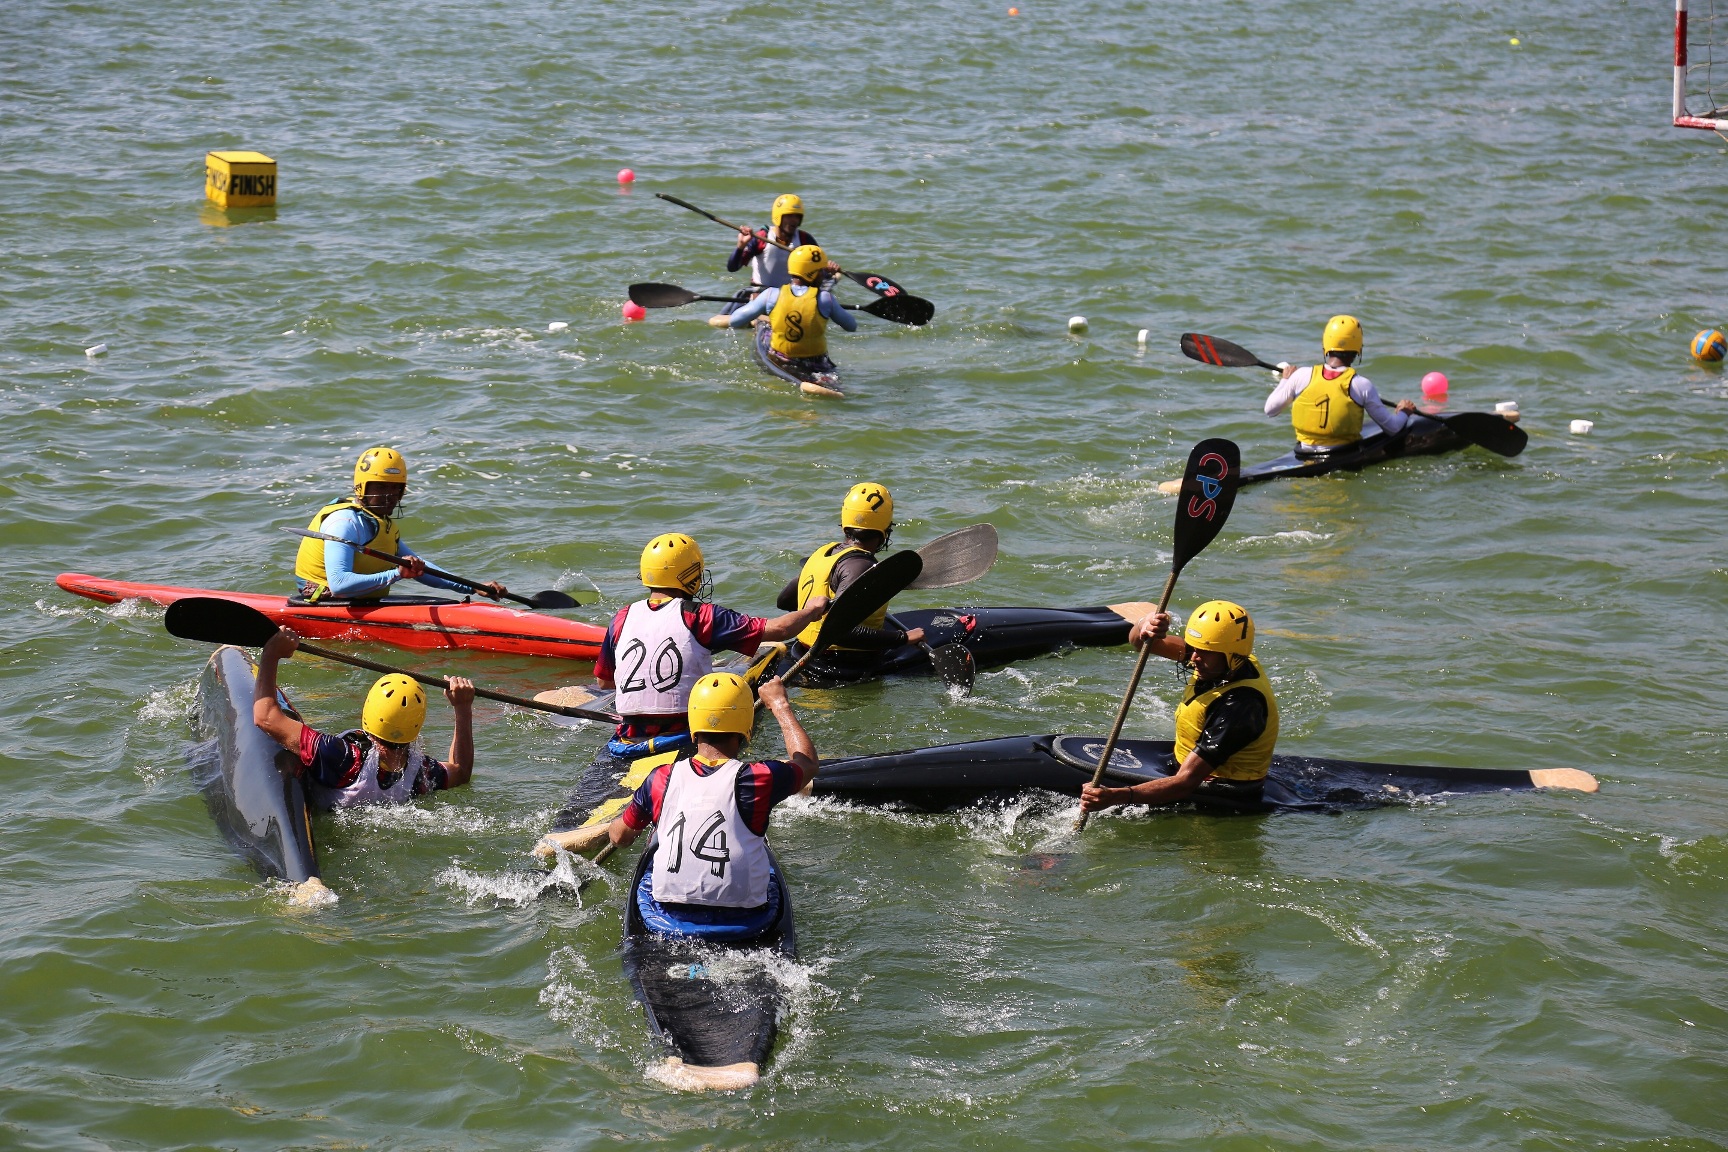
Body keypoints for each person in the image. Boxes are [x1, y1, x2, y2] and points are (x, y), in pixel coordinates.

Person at [600, 673, 817, 932]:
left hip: (667, 923)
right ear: (746, 726)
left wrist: (620, 822)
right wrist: (780, 705)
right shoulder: (760, 779)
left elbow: (620, 838)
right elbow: (808, 764)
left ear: (694, 724)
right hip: (746, 922)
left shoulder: (660, 778)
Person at [596, 533, 829, 760]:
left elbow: (604, 682)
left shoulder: (622, 617)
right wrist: (812, 610)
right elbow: (780, 630)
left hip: (627, 740)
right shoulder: (701, 616)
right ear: (689, 576)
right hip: (687, 736)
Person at [1079, 600, 1280, 814]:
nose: (1193, 657)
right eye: (1193, 647)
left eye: (1204, 651)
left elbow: (1185, 783)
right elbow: (1140, 643)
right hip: (1182, 765)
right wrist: (1144, 625)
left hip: (1222, 792)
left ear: (1231, 656)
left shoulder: (1240, 706)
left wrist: (1117, 796)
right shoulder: (1219, 660)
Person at [251, 628, 476, 809]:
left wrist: (271, 653)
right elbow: (461, 771)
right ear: (416, 724)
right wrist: (463, 708)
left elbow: (265, 716)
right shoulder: (421, 773)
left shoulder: (339, 756)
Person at [291, 446, 505, 603]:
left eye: (396, 489)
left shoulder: (380, 522)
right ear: (360, 488)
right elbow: (339, 585)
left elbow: (422, 569)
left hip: (360, 602)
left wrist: (473, 587)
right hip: (326, 603)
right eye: (381, 488)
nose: (390, 496)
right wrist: (396, 574)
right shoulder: (345, 523)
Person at [774, 483, 925, 676]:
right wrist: (902, 638)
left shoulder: (822, 554)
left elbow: (784, 601)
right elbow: (841, 633)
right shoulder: (861, 566)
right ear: (885, 531)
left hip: (803, 653)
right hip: (842, 668)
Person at [1263, 315, 1417, 454]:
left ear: (1326, 345)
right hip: (1343, 453)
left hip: (1304, 451)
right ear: (1358, 349)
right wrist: (1404, 412)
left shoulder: (1300, 375)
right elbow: (1393, 429)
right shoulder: (1361, 385)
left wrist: (1285, 380)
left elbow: (1270, 410)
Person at [709, 245, 857, 379]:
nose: (823, 274)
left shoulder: (771, 295)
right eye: (821, 271)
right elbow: (851, 326)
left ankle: (762, 323)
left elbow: (735, 321)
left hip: (780, 359)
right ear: (814, 274)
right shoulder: (826, 299)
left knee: (765, 325)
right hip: (817, 363)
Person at [724, 193, 841, 303]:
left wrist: (827, 270)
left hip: (791, 297)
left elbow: (817, 273)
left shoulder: (806, 240)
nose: (794, 220)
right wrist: (741, 246)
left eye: (797, 216)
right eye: (789, 216)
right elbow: (732, 267)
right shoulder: (761, 237)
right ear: (778, 216)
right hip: (761, 296)